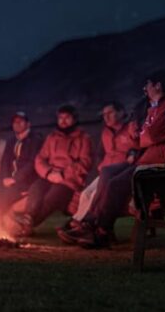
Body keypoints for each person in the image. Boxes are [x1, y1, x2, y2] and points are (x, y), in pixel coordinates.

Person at [63, 70, 165, 248]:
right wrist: (140, 135)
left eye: (147, 84)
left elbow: (151, 136)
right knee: (107, 172)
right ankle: (91, 223)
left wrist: (141, 135)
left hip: (163, 165)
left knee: (116, 185)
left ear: (158, 85)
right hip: (150, 161)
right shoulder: (156, 108)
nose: (144, 89)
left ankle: (101, 230)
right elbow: (141, 139)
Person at [58, 101, 138, 237]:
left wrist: (132, 155)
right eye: (104, 114)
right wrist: (101, 165)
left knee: (96, 195)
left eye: (110, 113)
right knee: (86, 194)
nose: (106, 117)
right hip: (107, 171)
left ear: (121, 112)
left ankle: (85, 225)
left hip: (121, 172)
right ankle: (77, 222)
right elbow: (100, 153)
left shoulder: (131, 127)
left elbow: (138, 147)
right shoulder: (106, 132)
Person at [10, 105, 92, 238]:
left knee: (51, 198)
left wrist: (63, 174)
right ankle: (28, 218)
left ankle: (27, 226)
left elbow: (85, 162)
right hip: (50, 176)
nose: (63, 121)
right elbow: (40, 158)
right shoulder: (52, 137)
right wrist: (48, 173)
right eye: (60, 118)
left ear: (74, 119)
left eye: (67, 118)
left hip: (69, 181)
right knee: (36, 188)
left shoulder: (83, 138)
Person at [0, 112, 44, 237]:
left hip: (26, 181)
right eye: (15, 122)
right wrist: (4, 179)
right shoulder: (11, 140)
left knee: (4, 197)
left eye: (20, 121)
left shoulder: (36, 140)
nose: (17, 124)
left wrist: (15, 179)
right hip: (10, 182)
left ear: (28, 124)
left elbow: (32, 163)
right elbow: (5, 162)